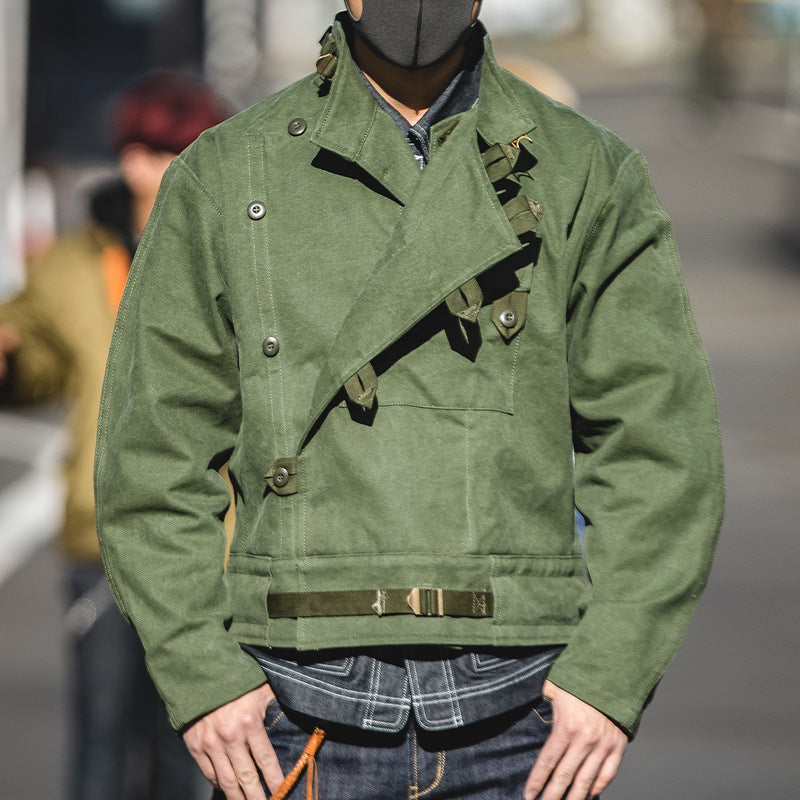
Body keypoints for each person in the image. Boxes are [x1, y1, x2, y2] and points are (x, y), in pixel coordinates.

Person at [94, 3, 725, 800]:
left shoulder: (584, 170)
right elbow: (150, 455)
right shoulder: (228, 173)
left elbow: (662, 450)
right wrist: (202, 678)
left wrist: (610, 675)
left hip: (518, 713)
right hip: (295, 707)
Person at [0, 72, 231, 800]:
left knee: (195, 748)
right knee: (100, 748)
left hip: (213, 543)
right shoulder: (74, 259)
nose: (143, 168)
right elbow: (36, 362)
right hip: (98, 537)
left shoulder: (242, 251)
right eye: (134, 148)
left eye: (166, 151)